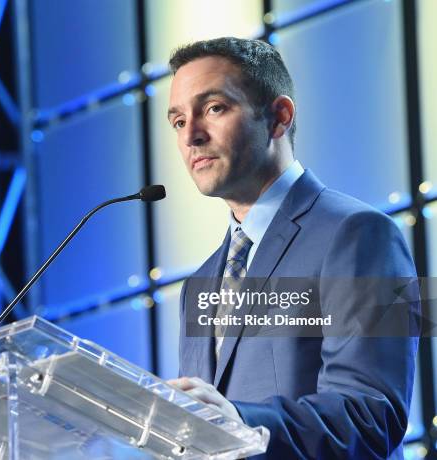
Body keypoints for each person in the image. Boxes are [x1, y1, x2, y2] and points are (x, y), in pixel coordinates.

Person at [166, 37, 419, 459]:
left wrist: (237, 423)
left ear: (279, 117)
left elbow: (374, 416)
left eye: (213, 108)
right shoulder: (198, 284)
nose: (191, 136)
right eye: (177, 121)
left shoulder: (367, 234)